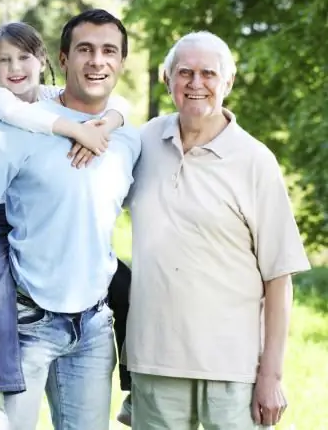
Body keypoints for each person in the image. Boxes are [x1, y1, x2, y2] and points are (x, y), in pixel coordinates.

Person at [0, 10, 141, 430]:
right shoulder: (15, 128)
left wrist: (109, 120)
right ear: (62, 58)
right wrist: (1, 271)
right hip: (27, 324)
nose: (97, 61)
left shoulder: (129, 138)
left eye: (108, 51)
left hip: (95, 326)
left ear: (122, 63)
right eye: (85, 50)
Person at [125, 31, 311, 429]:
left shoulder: (255, 161)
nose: (195, 84)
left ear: (227, 82)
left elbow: (279, 278)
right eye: (184, 72)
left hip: (233, 370)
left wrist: (271, 377)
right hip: (154, 362)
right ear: (167, 79)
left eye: (208, 74)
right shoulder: (142, 143)